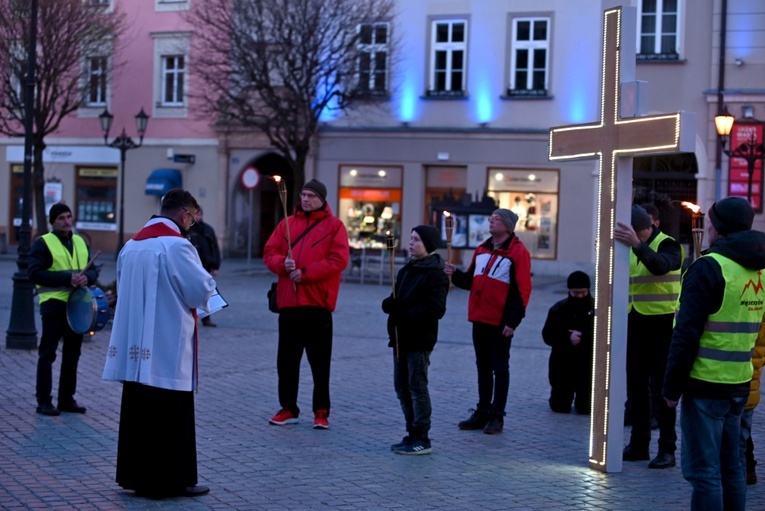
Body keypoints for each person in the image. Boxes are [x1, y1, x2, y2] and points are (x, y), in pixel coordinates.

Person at [102, 189, 216, 499]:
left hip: (136, 344)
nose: (192, 224)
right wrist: (214, 296)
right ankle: (171, 481)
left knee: (139, 409)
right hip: (167, 343)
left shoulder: (131, 246)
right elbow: (199, 289)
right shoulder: (177, 246)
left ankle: (135, 475)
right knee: (170, 414)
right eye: (192, 218)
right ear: (183, 214)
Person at [663, 196, 765, 511]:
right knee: (731, 467)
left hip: (705, 383)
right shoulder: (757, 270)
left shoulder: (708, 268)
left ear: (716, 228)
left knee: (703, 472)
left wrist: (671, 387)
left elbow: (686, 334)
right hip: (739, 383)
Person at [263, 179, 349, 429]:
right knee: (287, 362)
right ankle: (288, 407)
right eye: (303, 194)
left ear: (322, 199)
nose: (306, 199)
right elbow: (269, 253)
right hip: (289, 304)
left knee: (319, 362)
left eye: (311, 195)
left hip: (317, 305)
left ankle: (321, 410)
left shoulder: (335, 226)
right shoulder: (286, 224)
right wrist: (283, 264)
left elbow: (338, 260)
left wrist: (306, 272)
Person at [445, 208, 532, 434]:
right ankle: (483, 411)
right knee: (482, 367)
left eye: (496, 219)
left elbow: (522, 291)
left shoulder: (518, 253)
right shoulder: (482, 249)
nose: (491, 221)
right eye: (491, 218)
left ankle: (497, 415)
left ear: (508, 226)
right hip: (480, 318)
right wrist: (455, 273)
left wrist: (512, 322)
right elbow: (471, 281)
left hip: (501, 321)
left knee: (500, 368)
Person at [614, 204, 682, 469]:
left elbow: (661, 266)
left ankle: (667, 449)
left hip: (663, 325)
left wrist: (638, 246)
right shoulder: (629, 247)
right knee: (636, 388)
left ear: (642, 228)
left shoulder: (670, 244)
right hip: (635, 322)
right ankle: (639, 444)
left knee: (662, 391)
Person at [382, 225, 449, 455]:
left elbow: (436, 309)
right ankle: (411, 432)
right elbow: (396, 298)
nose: (411, 243)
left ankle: (422, 435)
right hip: (400, 337)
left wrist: (404, 311)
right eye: (410, 238)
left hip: (419, 338)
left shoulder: (436, 274)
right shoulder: (406, 270)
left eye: (417, 239)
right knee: (401, 387)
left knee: (417, 386)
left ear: (428, 245)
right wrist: (389, 304)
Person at [28, 203, 99, 416]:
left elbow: (94, 271)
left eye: (68, 216)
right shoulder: (43, 243)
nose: (66, 221)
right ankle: (44, 401)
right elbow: (35, 273)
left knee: (72, 354)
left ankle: (66, 398)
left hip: (77, 304)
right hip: (53, 303)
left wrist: (87, 277)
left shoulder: (79, 241)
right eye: (61, 218)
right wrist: (68, 278)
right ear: (53, 221)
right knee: (48, 353)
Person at [542, 271, 594, 414]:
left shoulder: (597, 308)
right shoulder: (559, 309)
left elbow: (606, 333)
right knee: (560, 407)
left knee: (586, 409)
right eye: (576, 292)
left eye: (583, 292)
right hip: (563, 365)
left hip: (587, 366)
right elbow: (547, 335)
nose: (580, 296)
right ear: (569, 290)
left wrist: (584, 337)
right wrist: (567, 338)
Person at [188, 206, 222, 327]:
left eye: (198, 214)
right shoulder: (187, 229)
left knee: (206, 294)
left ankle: (206, 318)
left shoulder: (208, 229)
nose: (197, 217)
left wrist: (216, 265)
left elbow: (215, 248)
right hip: (192, 267)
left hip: (206, 266)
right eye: (195, 214)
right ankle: (192, 317)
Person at [742, 316, 765, 485]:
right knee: (742, 427)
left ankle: (745, 467)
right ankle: (748, 468)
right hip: (752, 367)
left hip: (730, 372)